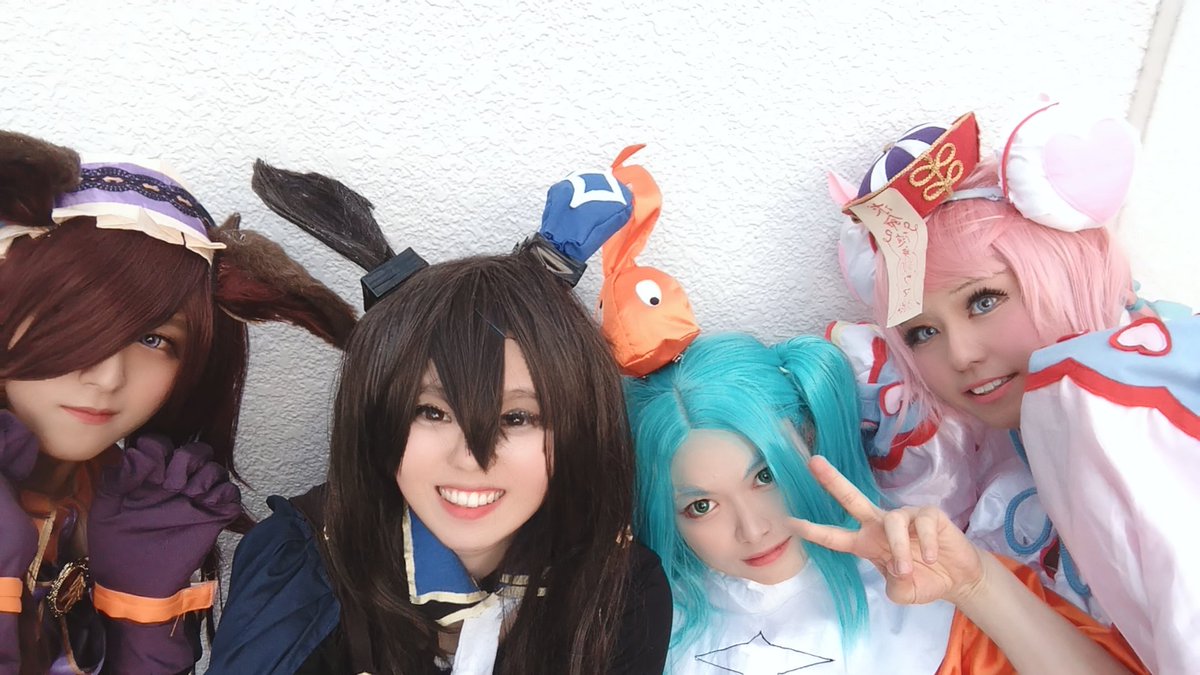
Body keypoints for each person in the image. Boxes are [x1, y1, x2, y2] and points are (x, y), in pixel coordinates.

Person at [207, 152, 673, 674]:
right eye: (431, 411)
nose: (471, 458)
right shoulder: (298, 568)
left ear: (579, 427)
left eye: (517, 418)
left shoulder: (621, 589)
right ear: (375, 415)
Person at [830, 103, 1198, 672]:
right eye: (922, 333)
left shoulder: (1143, 414)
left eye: (984, 301)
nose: (960, 355)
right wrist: (974, 582)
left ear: (1065, 271)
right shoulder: (1026, 450)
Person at [0, 130, 354, 673]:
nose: (107, 376)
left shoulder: (139, 505)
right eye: (70, 317)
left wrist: (141, 607)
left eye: (153, 339)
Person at [624, 331, 1145, 674]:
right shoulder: (634, 626)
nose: (753, 529)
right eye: (701, 506)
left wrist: (977, 587)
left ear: (810, 438)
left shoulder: (933, 589)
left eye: (766, 476)